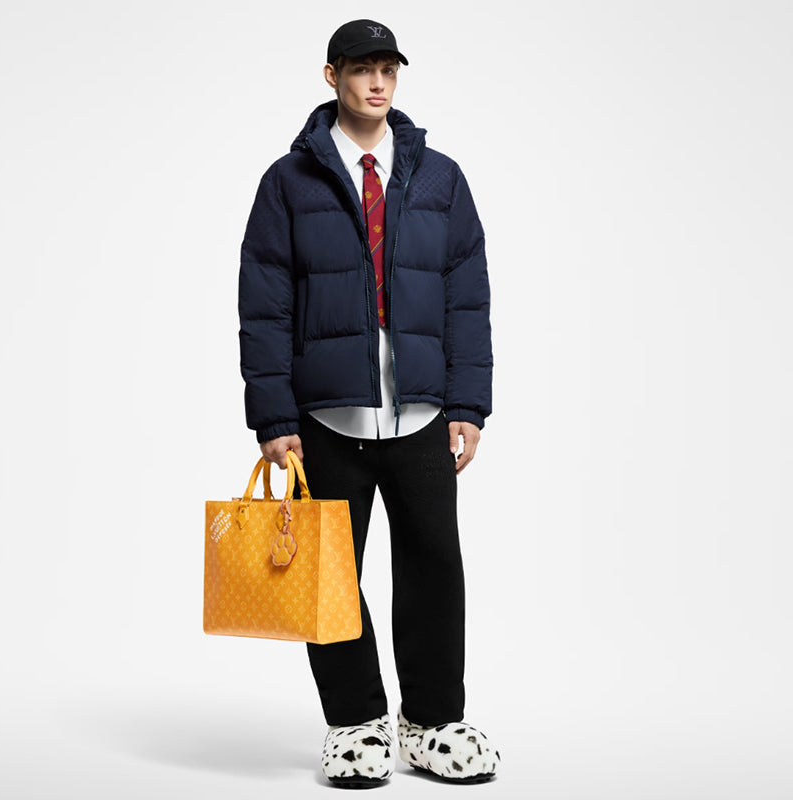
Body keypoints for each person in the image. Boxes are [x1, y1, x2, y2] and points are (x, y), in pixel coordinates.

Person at [238, 19, 499, 788]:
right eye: (361, 69)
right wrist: (274, 417)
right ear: (333, 76)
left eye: (387, 68)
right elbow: (264, 304)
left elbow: (467, 298)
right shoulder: (288, 183)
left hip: (420, 415)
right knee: (329, 577)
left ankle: (432, 723)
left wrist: (468, 405)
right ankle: (355, 725)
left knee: (434, 569)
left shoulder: (441, 178)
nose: (377, 82)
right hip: (325, 420)